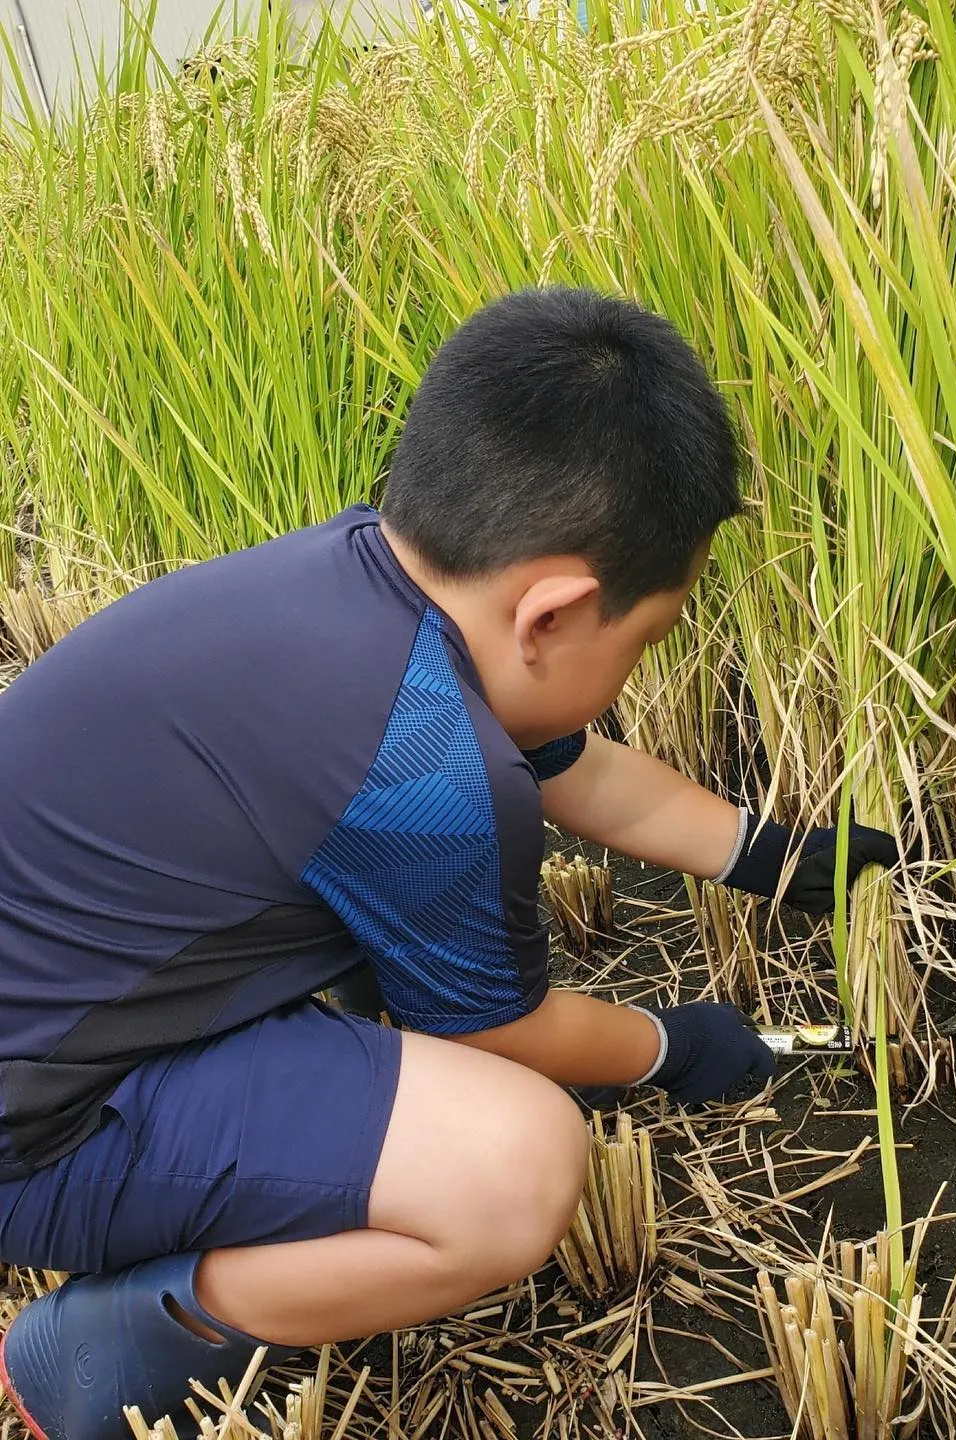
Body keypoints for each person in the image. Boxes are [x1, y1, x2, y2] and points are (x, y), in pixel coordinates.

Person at [0, 288, 900, 1440]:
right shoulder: (422, 770)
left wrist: (762, 855)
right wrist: (675, 1046)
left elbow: (584, 769)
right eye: (645, 643)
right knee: (516, 1166)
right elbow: (494, 1033)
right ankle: (122, 1335)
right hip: (38, 1133)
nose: (630, 674)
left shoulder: (359, 581)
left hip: (66, 1016)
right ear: (557, 613)